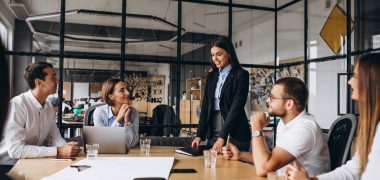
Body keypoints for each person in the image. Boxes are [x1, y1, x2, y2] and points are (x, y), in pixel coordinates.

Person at [285, 53, 380, 180]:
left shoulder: (305, 126)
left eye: (356, 76)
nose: (349, 81)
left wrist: (257, 130)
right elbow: (352, 171)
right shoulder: (373, 126)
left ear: (372, 82)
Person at [222, 77, 330, 177]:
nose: (268, 101)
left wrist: (257, 128)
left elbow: (263, 169)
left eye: (272, 98)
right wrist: (240, 155)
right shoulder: (284, 123)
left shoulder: (303, 129)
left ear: (289, 104)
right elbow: (271, 159)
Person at [0, 62, 81, 166]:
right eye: (53, 78)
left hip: (31, 162)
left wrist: (67, 148)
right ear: (39, 82)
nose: (58, 81)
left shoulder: (48, 106)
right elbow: (16, 150)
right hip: (8, 166)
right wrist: (58, 151)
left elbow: (55, 137)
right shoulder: (18, 105)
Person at [191, 37, 251, 152]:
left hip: (236, 131)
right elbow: (206, 106)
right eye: (212, 55)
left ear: (228, 53)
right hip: (213, 129)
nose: (215, 59)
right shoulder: (212, 75)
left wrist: (222, 137)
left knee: (234, 169)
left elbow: (236, 108)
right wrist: (199, 135)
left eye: (219, 54)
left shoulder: (241, 75)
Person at [93, 78, 139, 148]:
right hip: (106, 156)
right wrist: (118, 119)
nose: (128, 93)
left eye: (126, 89)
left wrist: (126, 121)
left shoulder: (133, 112)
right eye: (122, 90)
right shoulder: (100, 112)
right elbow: (103, 142)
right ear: (111, 96)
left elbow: (131, 144)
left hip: (127, 156)